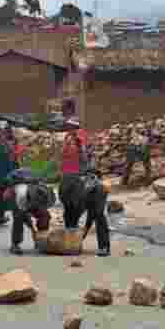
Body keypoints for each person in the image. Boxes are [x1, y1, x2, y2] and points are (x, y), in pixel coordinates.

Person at [59, 100, 110, 256]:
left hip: (86, 182)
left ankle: (103, 246)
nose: (69, 129)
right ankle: (72, 242)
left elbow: (88, 157)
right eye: (68, 127)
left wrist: (82, 149)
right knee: (70, 212)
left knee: (98, 214)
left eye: (71, 127)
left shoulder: (82, 138)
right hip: (72, 180)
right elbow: (63, 160)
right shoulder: (67, 139)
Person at [7, 181, 54, 255]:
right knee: (18, 218)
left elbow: (46, 206)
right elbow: (22, 211)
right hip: (15, 201)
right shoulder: (21, 193)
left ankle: (41, 240)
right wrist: (31, 226)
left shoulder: (45, 192)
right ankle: (15, 244)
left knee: (45, 216)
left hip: (31, 203)